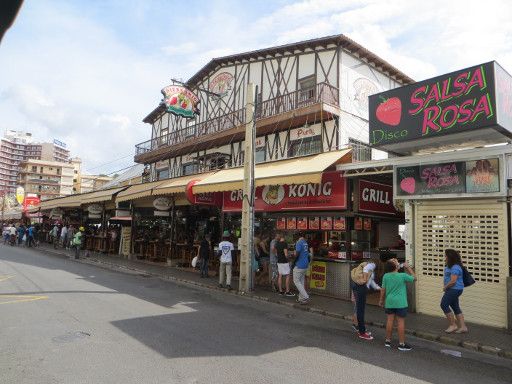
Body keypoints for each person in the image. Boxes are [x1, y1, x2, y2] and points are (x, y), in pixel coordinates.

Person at [379, 258, 416, 351]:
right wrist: (408, 268)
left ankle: (387, 341)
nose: (398, 262)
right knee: (400, 322)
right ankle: (401, 344)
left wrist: (381, 300)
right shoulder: (402, 275)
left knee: (390, 321)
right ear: (396, 266)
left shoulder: (386, 276)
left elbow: (383, 289)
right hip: (401, 303)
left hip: (389, 302)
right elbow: (415, 278)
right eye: (396, 262)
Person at [351, 259, 380, 340]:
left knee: (359, 309)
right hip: (360, 288)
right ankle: (362, 333)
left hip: (357, 286)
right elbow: (366, 270)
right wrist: (364, 279)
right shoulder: (372, 265)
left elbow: (371, 282)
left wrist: (378, 287)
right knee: (360, 310)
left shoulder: (368, 268)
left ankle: (360, 328)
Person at [441, 249, 468, 334]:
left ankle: (453, 325)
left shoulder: (455, 267)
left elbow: (453, 281)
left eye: (446, 256)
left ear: (450, 257)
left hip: (454, 289)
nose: (445, 257)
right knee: (455, 307)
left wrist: (445, 287)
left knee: (444, 304)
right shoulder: (451, 266)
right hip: (454, 289)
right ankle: (463, 327)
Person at [293, 233, 310, 304]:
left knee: (296, 281)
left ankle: (305, 296)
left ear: (297, 237)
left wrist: (294, 261)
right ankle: (301, 298)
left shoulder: (299, 242)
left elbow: (297, 253)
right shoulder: (305, 243)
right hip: (305, 264)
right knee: (301, 281)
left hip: (300, 264)